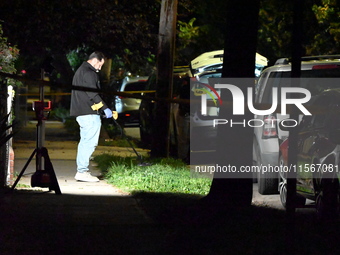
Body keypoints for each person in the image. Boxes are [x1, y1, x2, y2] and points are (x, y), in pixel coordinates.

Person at [70, 51, 113, 182]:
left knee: (85, 142)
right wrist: (105, 108)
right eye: (100, 65)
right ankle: (82, 171)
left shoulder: (80, 71)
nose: (100, 68)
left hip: (82, 112)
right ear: (95, 61)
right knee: (89, 142)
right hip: (88, 113)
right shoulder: (89, 73)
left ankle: (82, 170)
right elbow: (92, 93)